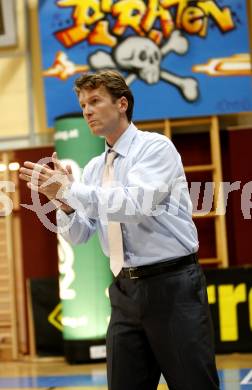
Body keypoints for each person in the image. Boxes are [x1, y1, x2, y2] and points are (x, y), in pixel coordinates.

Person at [19, 70, 220, 390]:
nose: (87, 110)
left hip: (172, 286)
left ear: (122, 103)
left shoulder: (156, 148)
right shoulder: (96, 168)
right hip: (124, 290)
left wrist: (72, 191)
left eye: (95, 101)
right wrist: (64, 202)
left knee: (194, 384)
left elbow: (132, 206)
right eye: (83, 104)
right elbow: (80, 234)